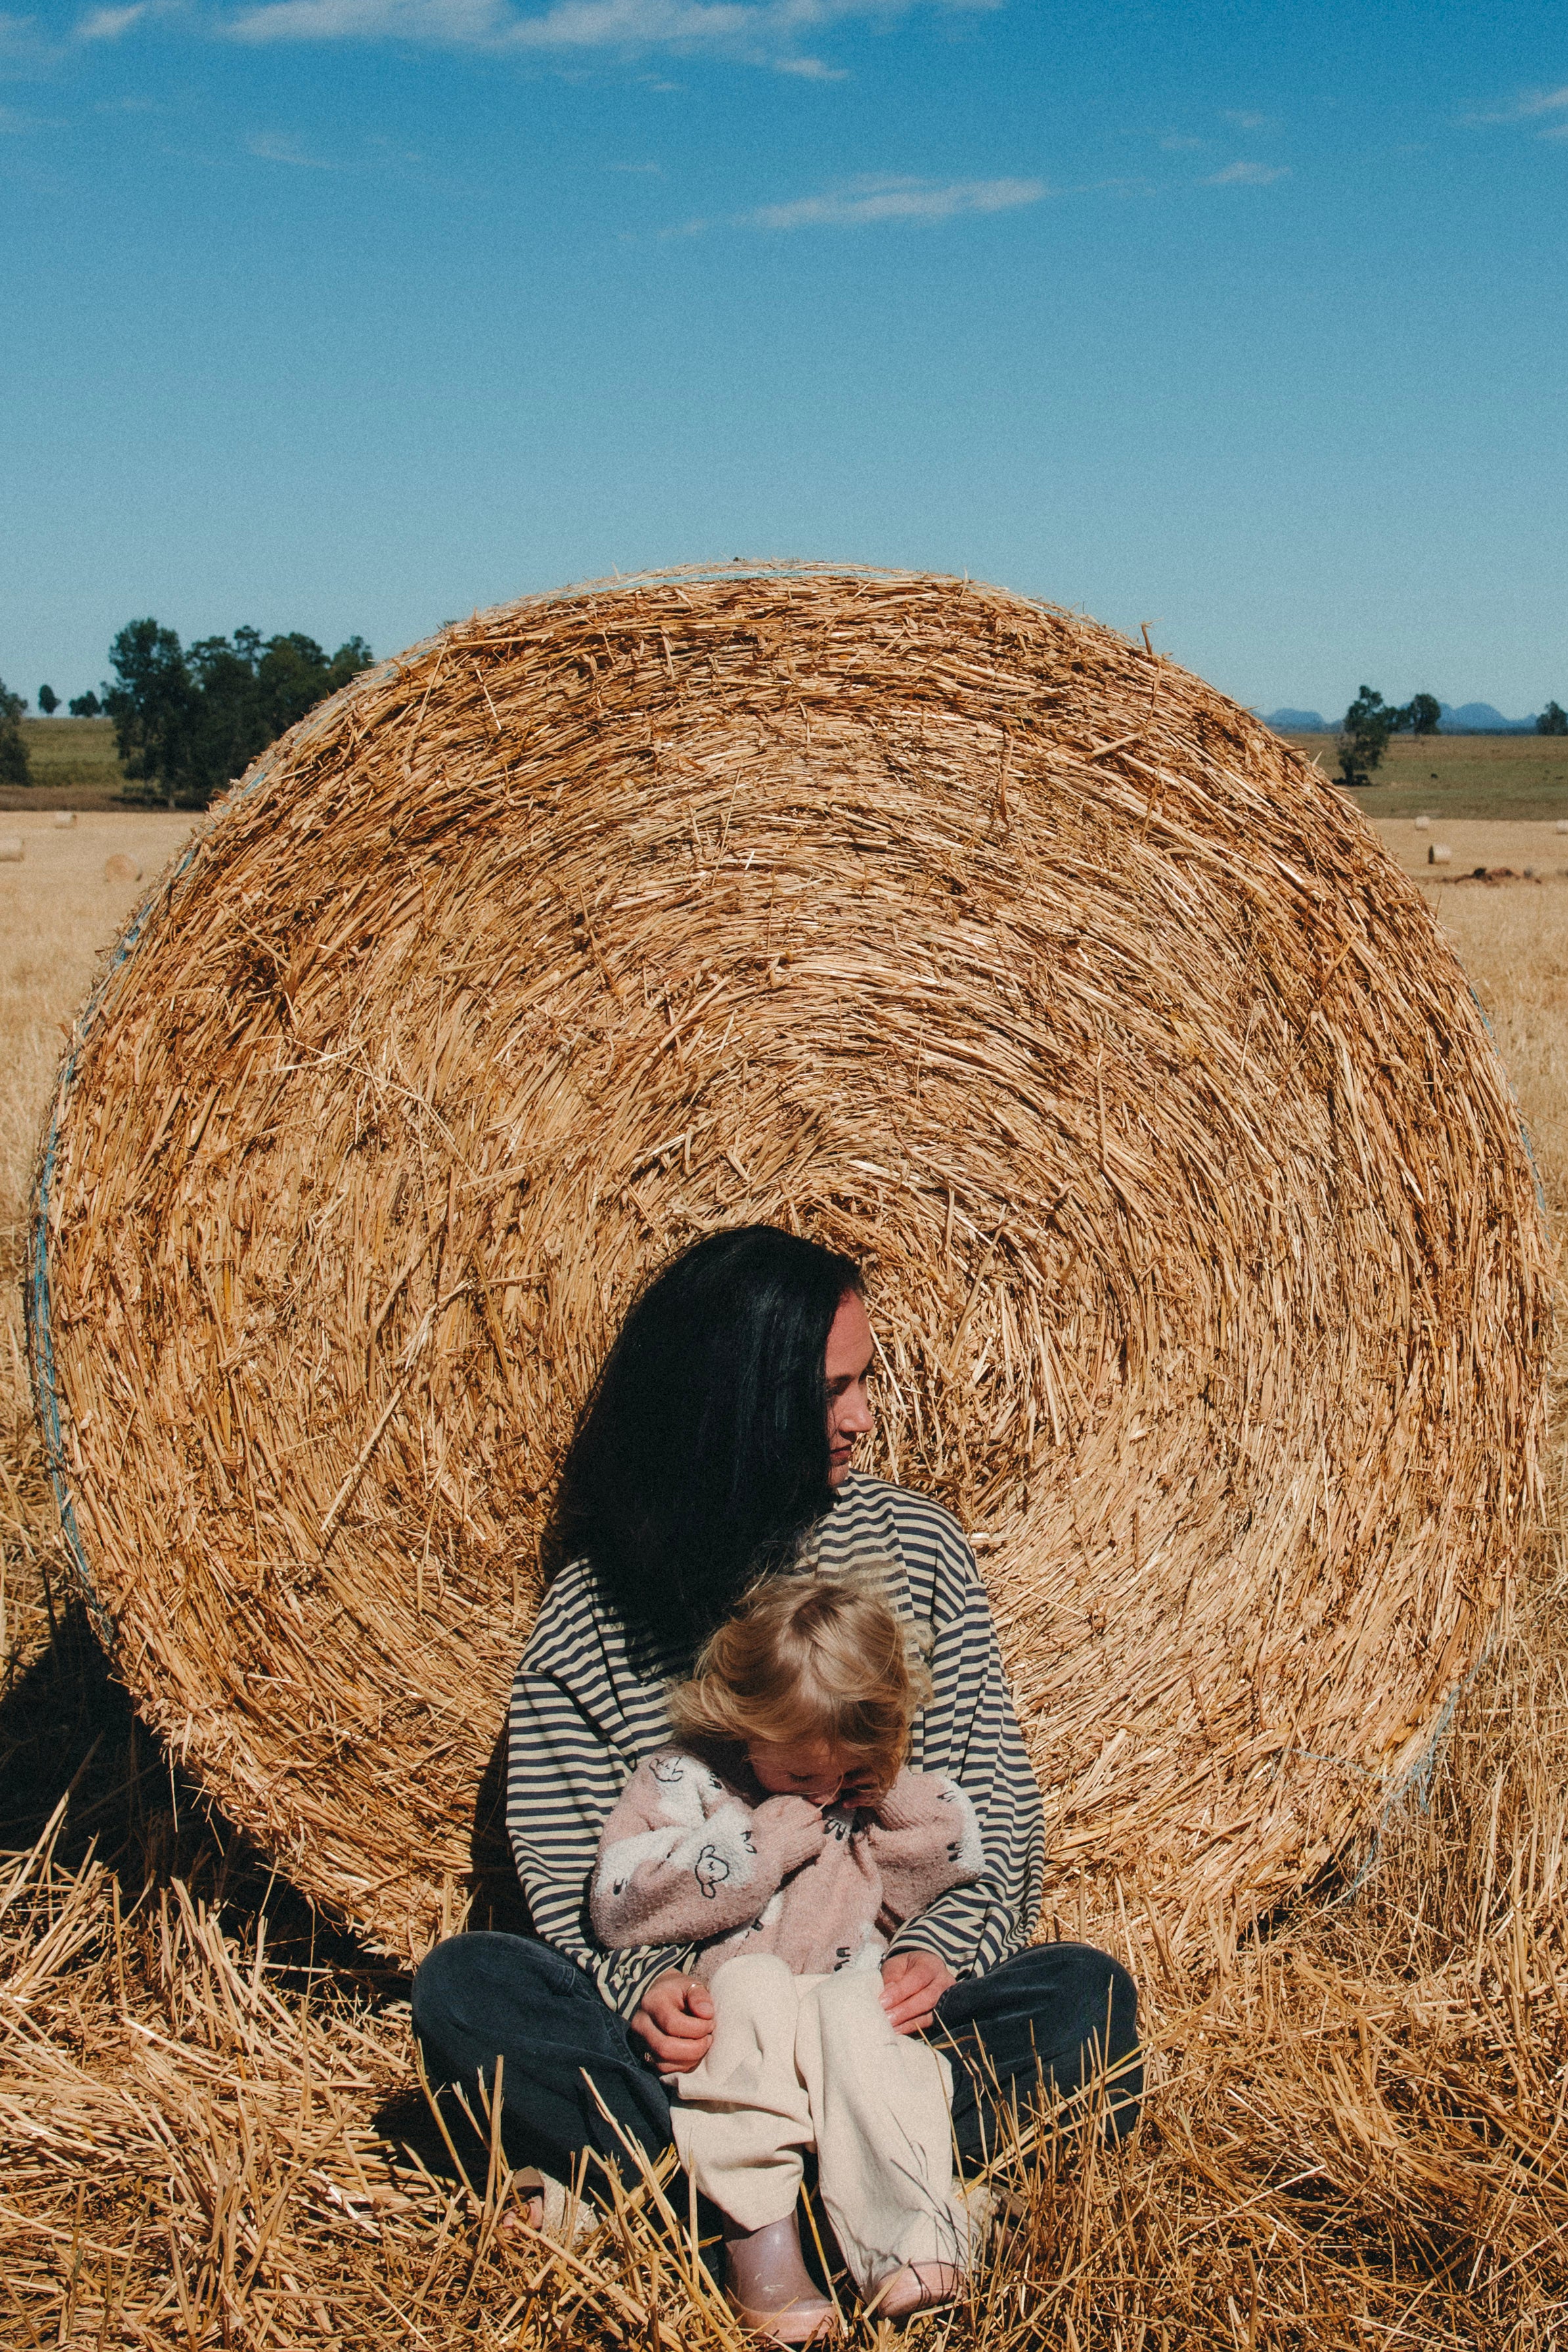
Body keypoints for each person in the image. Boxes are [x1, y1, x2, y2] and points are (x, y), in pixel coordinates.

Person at [411, 1227, 1139, 2262]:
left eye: (864, 1381)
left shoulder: (918, 1550)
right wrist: (640, 1997)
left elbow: (996, 1813)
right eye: (832, 1390)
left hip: (873, 2030)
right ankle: (875, 2197)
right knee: (467, 1989)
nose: (863, 1418)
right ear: (740, 1405)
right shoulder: (594, 1614)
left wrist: (937, 1955)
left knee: (1083, 2001)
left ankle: (700, 2206)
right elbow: (570, 1865)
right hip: (700, 2049)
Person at [592, 1571, 985, 2336]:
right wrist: (761, 1845)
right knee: (754, 1985)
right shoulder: (683, 1780)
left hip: (845, 2041)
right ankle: (762, 2241)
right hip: (729, 2041)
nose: (823, 1789)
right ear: (742, 1721)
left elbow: (950, 1856)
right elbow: (618, 1904)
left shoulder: (861, 1794)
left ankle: (902, 2235)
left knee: (866, 2007)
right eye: (801, 1772)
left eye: (845, 1769)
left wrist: (886, 1782)